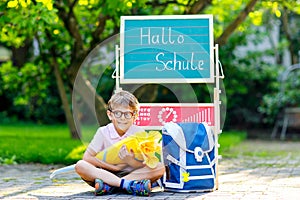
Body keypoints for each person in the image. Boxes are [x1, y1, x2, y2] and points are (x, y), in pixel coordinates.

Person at [75, 90, 165, 196]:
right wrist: (114, 168)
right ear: (110, 115)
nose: (122, 118)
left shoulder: (139, 132)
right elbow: (87, 157)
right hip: (105, 173)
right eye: (118, 113)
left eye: (127, 114)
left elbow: (147, 163)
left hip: (132, 173)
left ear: (135, 116)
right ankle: (128, 185)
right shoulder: (103, 132)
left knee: (160, 167)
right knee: (80, 165)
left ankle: (110, 186)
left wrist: (130, 160)